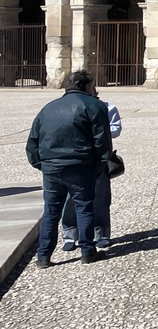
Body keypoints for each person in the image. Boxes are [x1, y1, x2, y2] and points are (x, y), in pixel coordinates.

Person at [26, 70, 113, 268]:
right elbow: (102, 142)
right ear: (87, 86)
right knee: (84, 207)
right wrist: (98, 166)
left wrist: (42, 165)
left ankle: (43, 256)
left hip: (52, 168)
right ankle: (87, 251)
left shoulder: (48, 108)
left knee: (51, 211)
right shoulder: (95, 106)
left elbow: (32, 142)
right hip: (80, 166)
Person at [62, 98, 121, 251]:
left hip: (98, 160)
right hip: (74, 159)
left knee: (100, 197)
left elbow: (116, 129)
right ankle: (69, 235)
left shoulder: (107, 107)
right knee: (70, 199)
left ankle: (101, 234)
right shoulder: (67, 107)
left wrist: (99, 130)